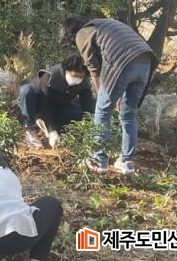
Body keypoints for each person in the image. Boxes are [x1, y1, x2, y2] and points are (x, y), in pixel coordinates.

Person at [60, 16, 158, 175]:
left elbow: (93, 67)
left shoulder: (83, 33)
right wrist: (114, 94)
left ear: (70, 33)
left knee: (102, 111)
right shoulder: (103, 24)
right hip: (146, 61)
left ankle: (98, 161)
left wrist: (102, 93)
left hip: (123, 62)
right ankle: (126, 162)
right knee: (128, 114)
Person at [17, 53, 94, 148]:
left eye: (80, 77)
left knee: (77, 113)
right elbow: (44, 106)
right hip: (38, 106)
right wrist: (52, 131)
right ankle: (30, 130)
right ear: (66, 70)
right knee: (26, 91)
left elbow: (87, 107)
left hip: (58, 107)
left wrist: (89, 130)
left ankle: (53, 128)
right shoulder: (49, 76)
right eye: (75, 76)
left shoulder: (84, 82)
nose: (77, 79)